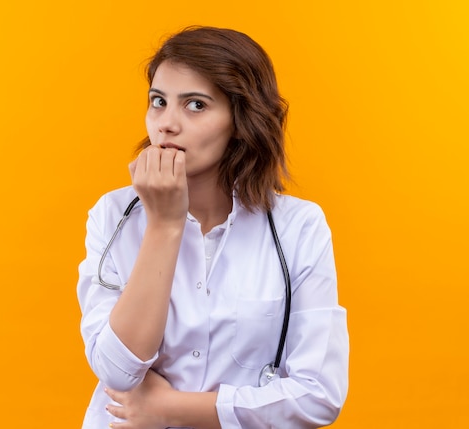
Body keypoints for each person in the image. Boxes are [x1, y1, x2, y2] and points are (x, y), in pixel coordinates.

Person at [77, 26, 349, 429]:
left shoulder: (298, 227)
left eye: (196, 105)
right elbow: (118, 371)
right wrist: (164, 226)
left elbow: (319, 395)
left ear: (241, 120)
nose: (166, 124)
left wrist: (169, 409)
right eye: (158, 101)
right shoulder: (113, 215)